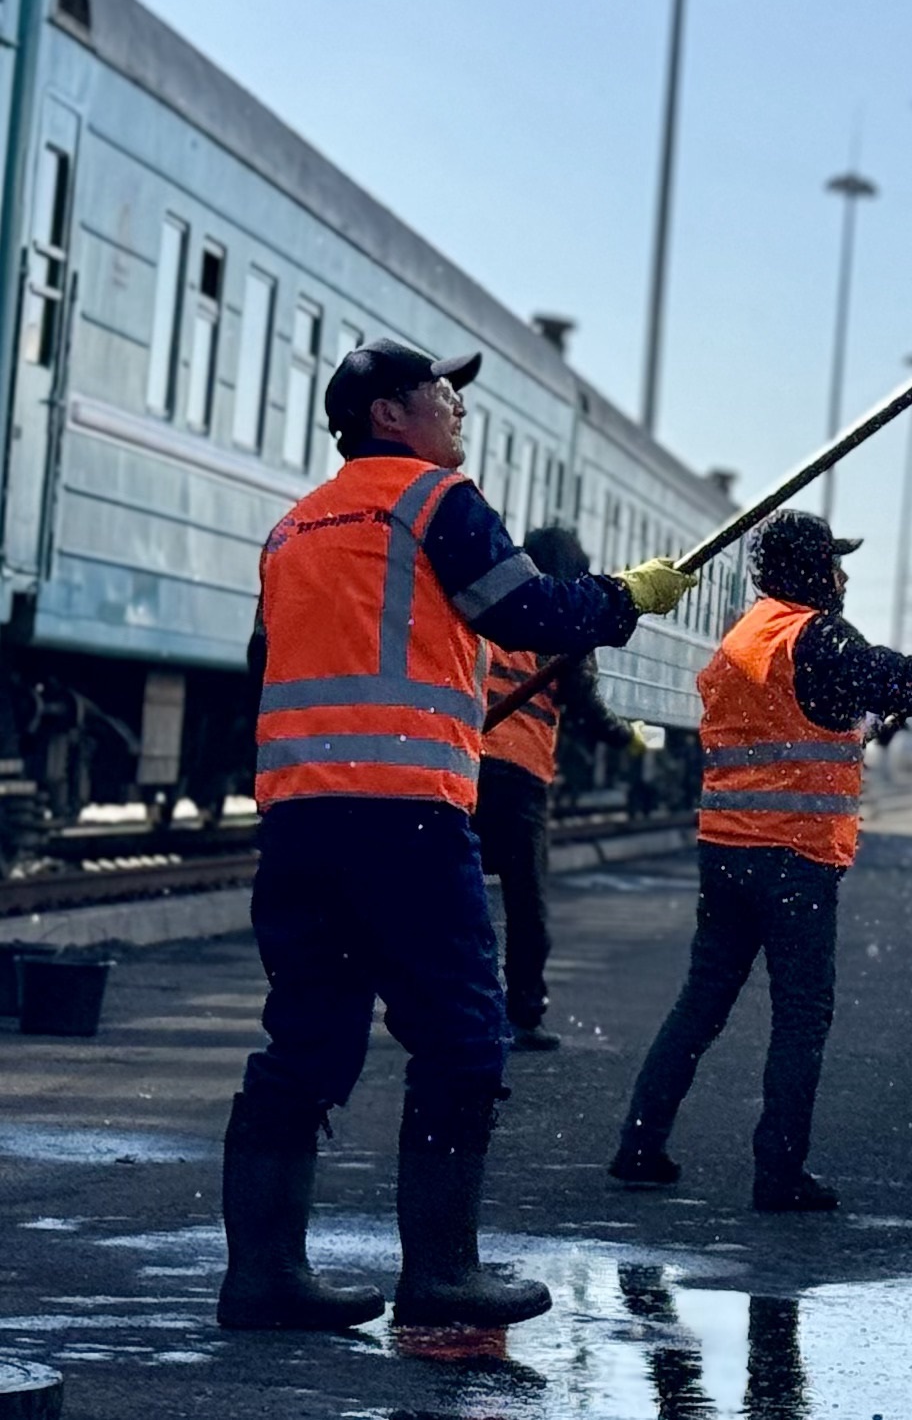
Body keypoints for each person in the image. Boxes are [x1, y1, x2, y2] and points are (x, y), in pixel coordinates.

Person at [219, 339, 699, 1333]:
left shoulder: (291, 531)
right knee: (463, 1039)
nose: (456, 409)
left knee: (303, 1043)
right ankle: (441, 1277)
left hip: (302, 822)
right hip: (404, 818)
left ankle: (262, 1278)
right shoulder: (439, 504)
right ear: (389, 413)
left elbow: (261, 674)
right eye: (443, 393)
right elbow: (529, 610)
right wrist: (626, 597)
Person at [609, 510, 912, 1212]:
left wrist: (859, 724)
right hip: (792, 859)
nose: (843, 577)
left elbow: (799, 721)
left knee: (701, 1003)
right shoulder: (817, 634)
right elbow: (906, 681)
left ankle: (638, 1145)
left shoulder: (743, 638)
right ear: (810, 569)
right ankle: (778, 1175)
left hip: (726, 852)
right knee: (801, 1016)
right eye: (834, 564)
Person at [476, 524, 639, 1053]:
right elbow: (587, 707)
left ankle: (433, 1007)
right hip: (519, 780)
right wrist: (633, 742)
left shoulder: (489, 602)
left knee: (451, 896)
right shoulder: (559, 622)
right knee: (526, 909)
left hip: (464, 769)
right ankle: (523, 1015)